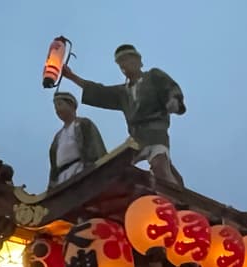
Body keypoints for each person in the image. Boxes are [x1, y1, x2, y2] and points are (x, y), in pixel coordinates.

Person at [61, 44, 186, 186]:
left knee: (159, 168)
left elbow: (170, 88)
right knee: (116, 168)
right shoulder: (122, 93)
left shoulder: (153, 76)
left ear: (139, 61)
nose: (125, 65)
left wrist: (173, 101)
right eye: (121, 63)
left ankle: (176, 197)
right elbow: (99, 91)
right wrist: (71, 76)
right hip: (135, 139)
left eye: (128, 60)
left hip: (155, 133)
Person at [48, 92, 107, 189]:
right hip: (61, 178)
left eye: (59, 104)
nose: (57, 110)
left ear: (71, 105)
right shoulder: (58, 136)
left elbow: (94, 148)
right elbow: (53, 165)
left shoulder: (83, 124)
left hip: (80, 170)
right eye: (55, 107)